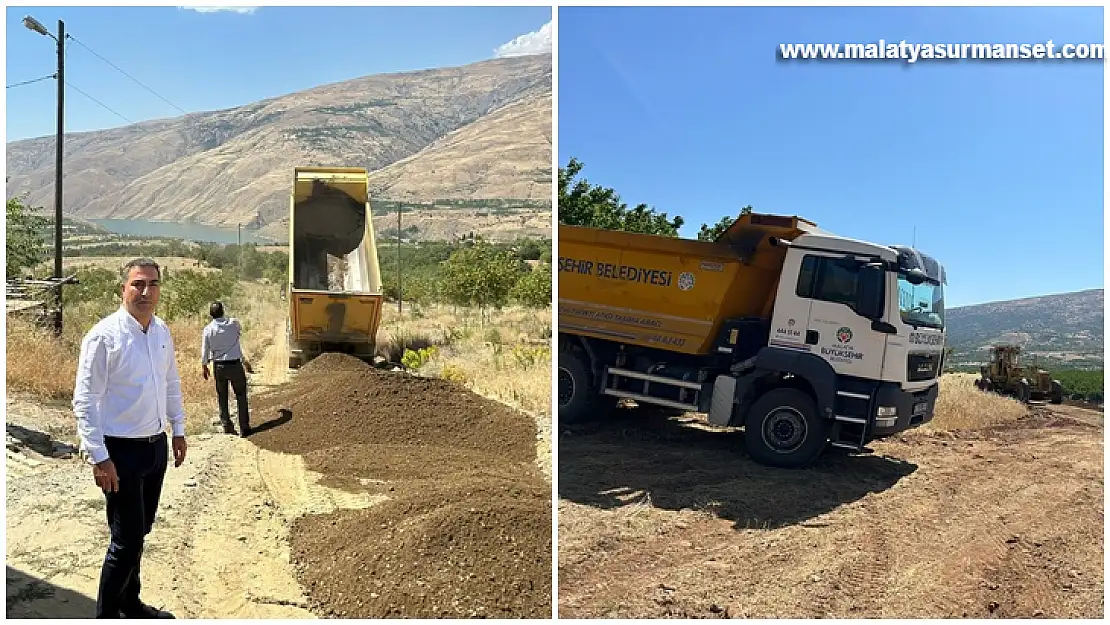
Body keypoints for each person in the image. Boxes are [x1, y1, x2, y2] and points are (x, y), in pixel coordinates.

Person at [72, 257, 187, 619]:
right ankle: (106, 615)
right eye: (137, 284)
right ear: (123, 288)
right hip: (120, 452)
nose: (145, 291)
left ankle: (129, 603)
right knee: (125, 541)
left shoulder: (161, 332)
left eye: (152, 284)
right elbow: (85, 400)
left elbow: (170, 382)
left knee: (142, 531)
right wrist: (99, 457)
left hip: (155, 447)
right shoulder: (104, 337)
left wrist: (178, 429)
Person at [200, 301, 252, 437]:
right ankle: (244, 427)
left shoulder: (208, 329)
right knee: (241, 396)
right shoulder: (233, 323)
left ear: (211, 314)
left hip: (219, 367)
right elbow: (239, 330)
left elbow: (205, 350)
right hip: (235, 365)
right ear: (223, 311)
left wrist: (204, 366)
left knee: (222, 396)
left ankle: (227, 425)